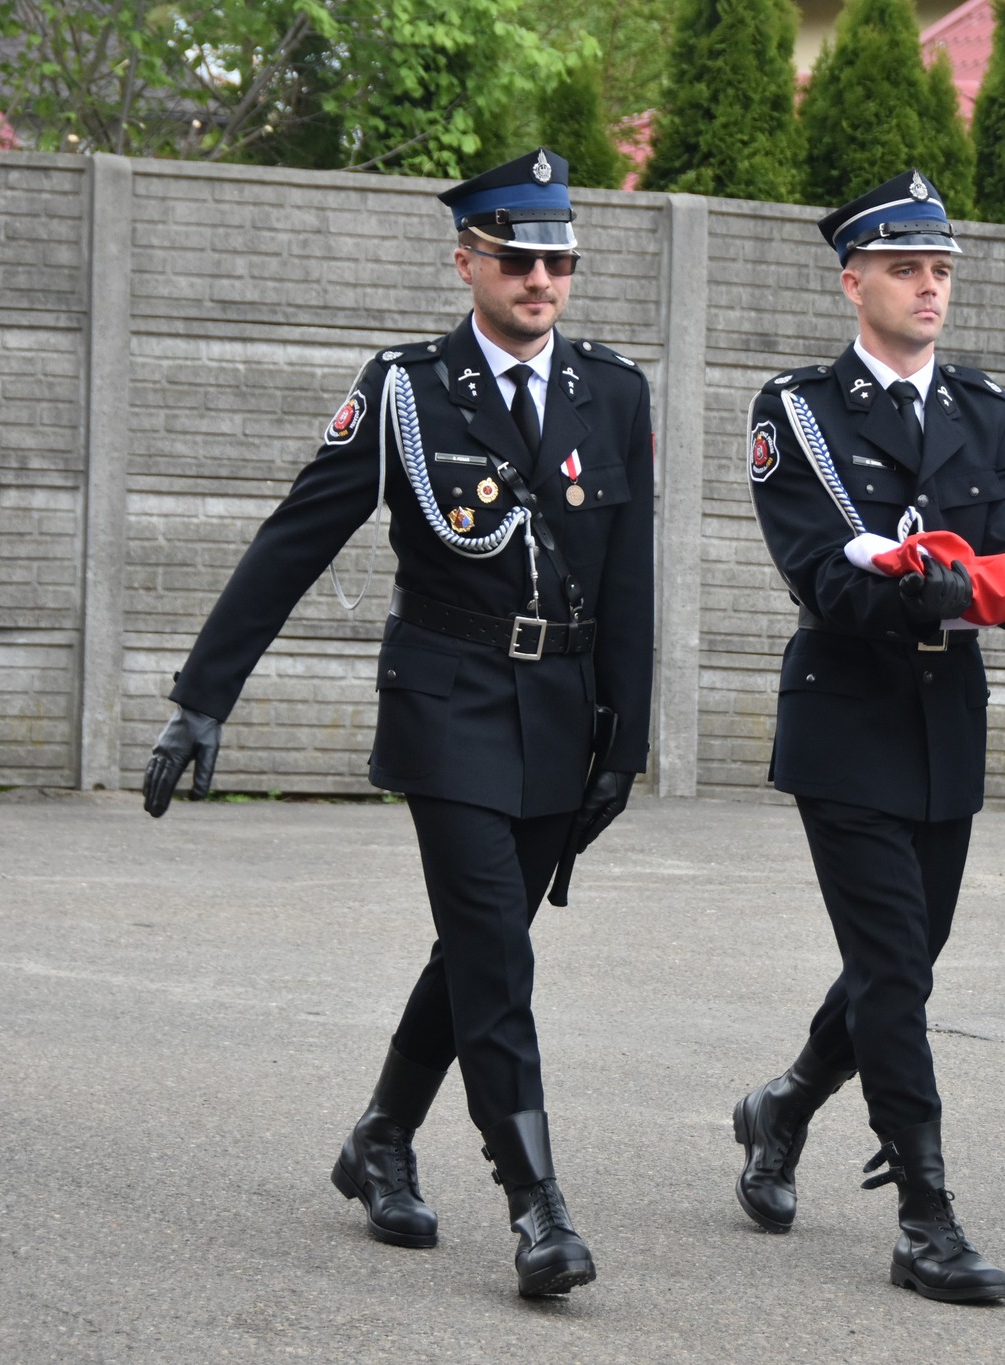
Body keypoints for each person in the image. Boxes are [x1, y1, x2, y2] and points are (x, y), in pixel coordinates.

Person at [140, 148, 654, 1299]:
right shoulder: (406, 390)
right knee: (496, 953)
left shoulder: (613, 393)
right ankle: (535, 1205)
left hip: (559, 710)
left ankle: (381, 1135)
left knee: (478, 943)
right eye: (515, 259)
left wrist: (622, 742)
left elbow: (630, 578)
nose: (540, 279)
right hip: (446, 703)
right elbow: (296, 537)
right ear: (466, 261)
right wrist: (202, 696)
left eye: (558, 260)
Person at [734, 169, 1005, 1302]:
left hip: (946, 720)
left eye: (940, 269)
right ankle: (925, 1219)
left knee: (903, 961)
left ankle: (785, 1104)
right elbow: (817, 572)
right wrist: (914, 593)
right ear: (854, 283)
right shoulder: (797, 411)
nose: (929, 287)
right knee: (894, 969)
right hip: (846, 715)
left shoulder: (984, 412)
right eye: (905, 269)